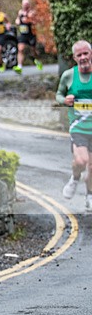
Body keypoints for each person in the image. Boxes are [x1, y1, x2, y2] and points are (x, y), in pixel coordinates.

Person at [57, 40, 92, 210]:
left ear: (90, 54)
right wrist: (64, 100)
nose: (83, 57)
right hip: (78, 127)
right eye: (79, 55)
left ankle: (90, 195)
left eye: (86, 53)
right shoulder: (69, 75)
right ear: (74, 57)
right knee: (81, 160)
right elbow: (58, 94)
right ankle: (74, 178)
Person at [15, 0, 43, 72]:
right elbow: (17, 20)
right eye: (24, 5)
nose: (25, 6)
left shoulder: (32, 12)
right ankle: (19, 66)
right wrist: (18, 21)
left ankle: (37, 60)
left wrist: (28, 20)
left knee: (33, 50)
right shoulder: (20, 12)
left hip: (31, 34)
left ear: (29, 5)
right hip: (23, 34)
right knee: (20, 49)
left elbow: (36, 21)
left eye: (27, 5)